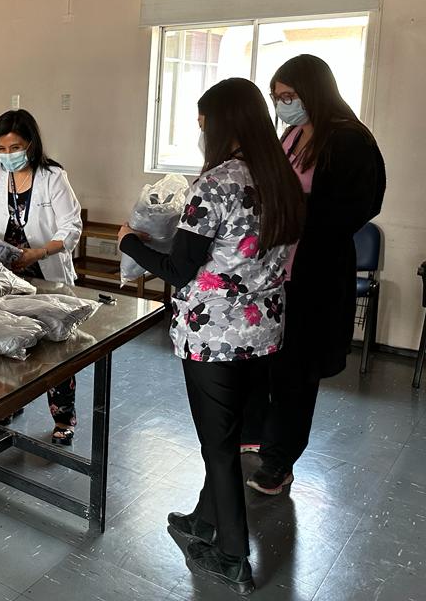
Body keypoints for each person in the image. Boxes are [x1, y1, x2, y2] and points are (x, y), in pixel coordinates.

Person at [119, 78, 304, 595]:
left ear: (222, 125)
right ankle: (203, 522)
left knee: (218, 446)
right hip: (262, 330)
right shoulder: (280, 179)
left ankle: (231, 556)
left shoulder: (216, 184)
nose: (202, 136)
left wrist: (131, 241)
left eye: (204, 126)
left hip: (214, 335)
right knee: (229, 433)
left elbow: (179, 269)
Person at [247, 54, 386, 496]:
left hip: (315, 274)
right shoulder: (291, 134)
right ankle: (263, 437)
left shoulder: (347, 140)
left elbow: (357, 206)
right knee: (267, 362)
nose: (283, 105)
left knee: (296, 371)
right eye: (277, 98)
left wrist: (295, 212)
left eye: (289, 96)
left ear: (315, 91)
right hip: (274, 271)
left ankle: (279, 460)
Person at [0, 110, 83, 444]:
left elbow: (71, 227)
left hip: (45, 271)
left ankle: (63, 417)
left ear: (30, 144)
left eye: (14, 147)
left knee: (55, 349)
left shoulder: (53, 177)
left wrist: (39, 252)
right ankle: (8, 402)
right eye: (1, 149)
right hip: (6, 273)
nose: (7, 155)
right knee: (7, 340)